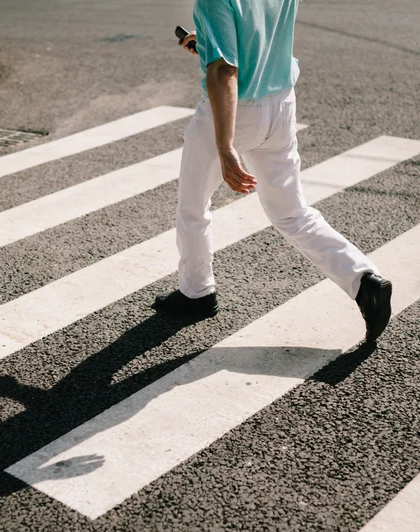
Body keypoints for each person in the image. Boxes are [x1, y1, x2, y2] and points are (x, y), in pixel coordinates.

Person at [153, 0, 392, 343]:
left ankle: (197, 292)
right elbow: (258, 35)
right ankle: (364, 280)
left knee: (193, 206)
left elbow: (224, 71)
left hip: (236, 110)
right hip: (280, 105)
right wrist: (206, 39)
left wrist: (225, 147)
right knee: (292, 212)